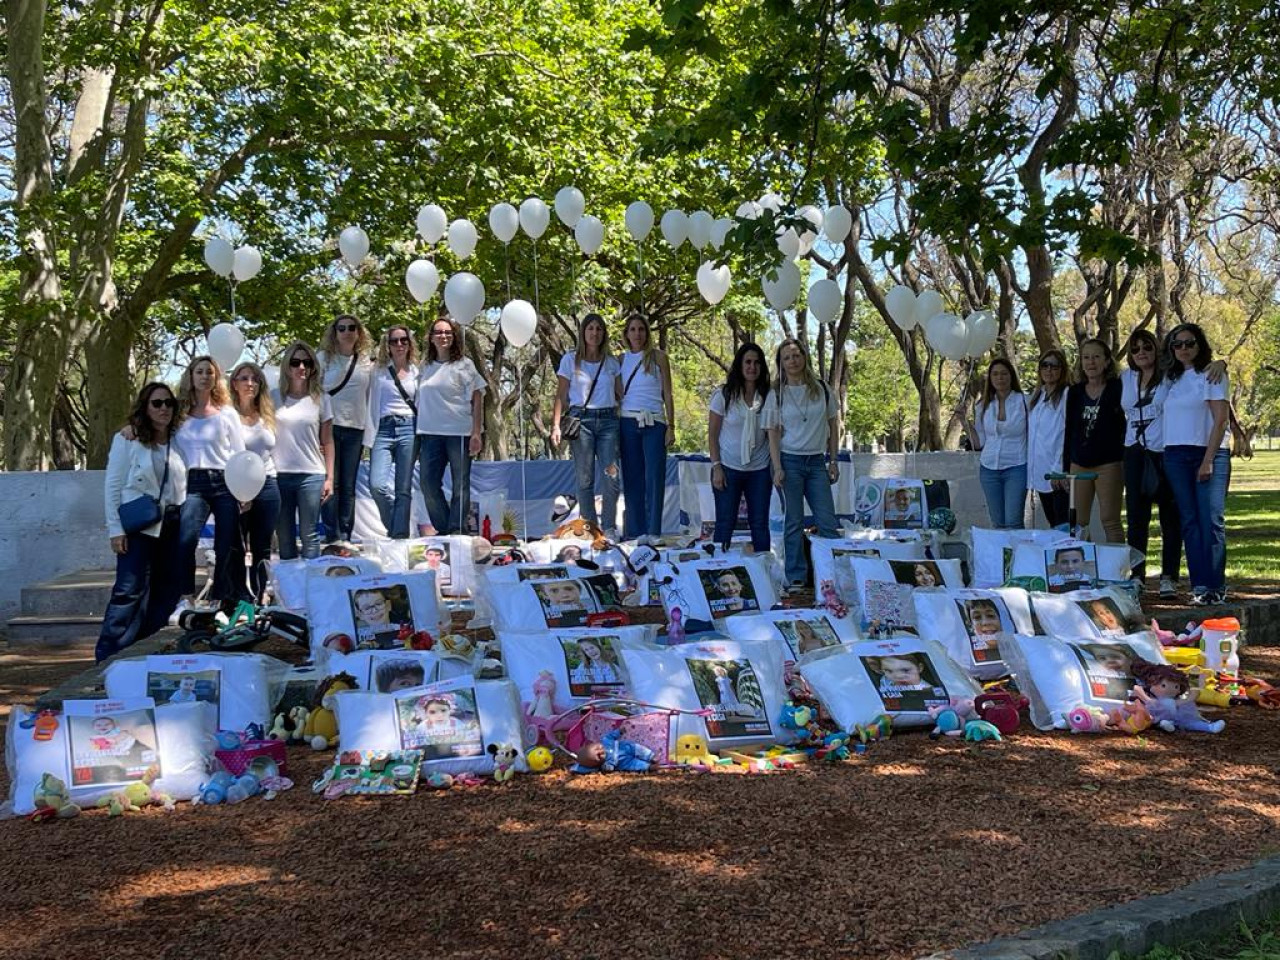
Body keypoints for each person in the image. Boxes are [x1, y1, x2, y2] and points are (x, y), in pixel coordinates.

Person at [98, 383, 188, 662]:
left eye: (168, 403)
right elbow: (112, 486)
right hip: (140, 524)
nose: (164, 409)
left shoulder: (179, 439)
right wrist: (115, 529)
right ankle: (108, 658)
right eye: (157, 403)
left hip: (173, 524)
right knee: (128, 591)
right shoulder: (129, 440)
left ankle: (142, 650)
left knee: (167, 591)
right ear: (145, 408)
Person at [1161, 323, 1231, 605]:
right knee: (1189, 522)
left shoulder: (1213, 374)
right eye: (1177, 345)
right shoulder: (1172, 378)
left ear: (1199, 344)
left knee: (1211, 520)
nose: (1184, 349)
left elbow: (1221, 420)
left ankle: (1216, 586)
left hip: (1208, 453)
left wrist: (1208, 460)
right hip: (1176, 454)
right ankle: (1200, 586)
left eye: (1189, 343)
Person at [765, 338, 840, 587]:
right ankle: (796, 576)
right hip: (790, 461)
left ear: (804, 357)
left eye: (796, 355)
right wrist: (777, 468)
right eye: (786, 357)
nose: (792, 361)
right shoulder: (776, 393)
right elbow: (772, 433)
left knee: (827, 521)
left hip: (817, 462)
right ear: (781, 363)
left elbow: (833, 425)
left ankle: (830, 574)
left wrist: (834, 460)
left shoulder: (821, 388)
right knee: (794, 521)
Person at [173, 356, 246, 609]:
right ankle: (185, 597)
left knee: (226, 543)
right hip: (192, 483)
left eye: (210, 372)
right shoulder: (179, 414)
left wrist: (243, 490)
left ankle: (220, 597)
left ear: (217, 378)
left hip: (224, 481)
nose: (205, 376)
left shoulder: (227, 413)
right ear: (191, 377)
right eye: (199, 372)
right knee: (186, 540)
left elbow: (239, 453)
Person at [551, 313, 621, 536]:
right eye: (590, 328)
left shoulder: (611, 362)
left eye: (599, 329)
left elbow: (621, 393)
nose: (594, 333)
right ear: (583, 332)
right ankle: (592, 529)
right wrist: (556, 425)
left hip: (609, 421)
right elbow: (561, 394)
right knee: (585, 477)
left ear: (604, 334)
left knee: (612, 475)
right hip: (581, 421)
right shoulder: (570, 360)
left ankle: (609, 526)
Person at [417, 317, 486, 535]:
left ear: (454, 336)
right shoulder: (424, 366)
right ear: (431, 338)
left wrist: (476, 432)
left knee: (460, 486)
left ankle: (456, 530)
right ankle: (444, 528)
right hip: (429, 434)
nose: (443, 336)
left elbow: (477, 399)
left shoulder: (464, 365)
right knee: (428, 485)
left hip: (459, 433)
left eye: (448, 332)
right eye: (438, 332)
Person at [272, 341, 335, 560]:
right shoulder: (272, 397)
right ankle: (290, 591)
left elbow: (327, 442)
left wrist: (330, 479)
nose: (301, 367)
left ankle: (313, 588)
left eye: (307, 363)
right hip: (279, 475)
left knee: (310, 535)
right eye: (295, 362)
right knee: (284, 536)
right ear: (287, 367)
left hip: (311, 474)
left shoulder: (322, 399)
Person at [708, 342, 772, 553]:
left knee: (760, 524)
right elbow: (713, 434)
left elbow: (773, 433)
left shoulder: (768, 397)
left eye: (756, 363)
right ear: (739, 365)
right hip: (727, 467)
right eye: (748, 362)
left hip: (759, 470)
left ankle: (763, 569)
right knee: (725, 522)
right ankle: (718, 568)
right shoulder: (724, 395)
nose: (752, 367)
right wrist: (716, 466)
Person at [1061, 339, 1126, 542]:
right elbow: (1069, 429)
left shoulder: (1118, 387)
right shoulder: (1075, 391)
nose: (1091, 362)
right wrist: (1066, 467)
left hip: (1109, 463)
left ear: (1107, 361)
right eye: (1086, 357)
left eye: (1096, 357)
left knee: (1110, 519)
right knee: (1078, 523)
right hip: (1079, 463)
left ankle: (1117, 571)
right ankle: (1081, 568)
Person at [317, 314, 373, 544]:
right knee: (331, 482)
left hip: (355, 428)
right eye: (342, 328)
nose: (347, 332)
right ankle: (331, 534)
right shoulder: (323, 359)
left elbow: (371, 395)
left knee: (349, 485)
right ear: (335, 332)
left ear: (359, 332)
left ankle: (345, 535)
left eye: (352, 328)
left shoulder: (366, 362)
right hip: (329, 427)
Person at [618, 314, 675, 540]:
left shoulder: (659, 358)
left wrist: (671, 425)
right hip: (628, 421)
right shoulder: (620, 360)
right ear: (627, 333)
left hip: (654, 421)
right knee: (632, 478)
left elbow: (668, 394)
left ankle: (653, 531)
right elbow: (616, 394)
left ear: (647, 333)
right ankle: (635, 531)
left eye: (641, 329)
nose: (637, 334)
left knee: (654, 477)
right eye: (632, 329)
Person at [229, 362, 280, 599]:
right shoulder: (228, 416)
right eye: (244, 378)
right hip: (238, 487)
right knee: (236, 546)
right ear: (234, 384)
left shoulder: (269, 415)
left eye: (255, 379)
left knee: (263, 547)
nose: (250, 383)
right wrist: (241, 493)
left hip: (268, 483)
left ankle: (261, 596)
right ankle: (239, 597)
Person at [365, 324, 419, 539]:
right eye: (394, 341)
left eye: (403, 340)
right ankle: (395, 527)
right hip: (383, 429)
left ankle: (399, 537)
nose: (399, 344)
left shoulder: (418, 372)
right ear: (387, 345)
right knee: (377, 485)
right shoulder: (376, 370)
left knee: (403, 488)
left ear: (409, 344)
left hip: (409, 427)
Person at [967, 358, 1028, 529]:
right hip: (989, 468)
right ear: (990, 379)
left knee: (1013, 520)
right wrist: (965, 423)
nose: (1000, 378)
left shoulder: (1025, 401)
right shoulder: (983, 405)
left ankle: (1018, 555)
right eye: (995, 374)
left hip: (1017, 466)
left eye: (1004, 373)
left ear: (1011, 376)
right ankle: (1001, 555)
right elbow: (979, 442)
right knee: (998, 522)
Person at [1027, 349, 1071, 528]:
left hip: (1058, 472)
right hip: (1040, 473)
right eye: (1044, 365)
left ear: (1062, 369)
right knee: (1053, 524)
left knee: (1064, 526)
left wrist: (1059, 469)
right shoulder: (1038, 396)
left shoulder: (1067, 394)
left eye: (1054, 366)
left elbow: (1067, 433)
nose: (1049, 370)